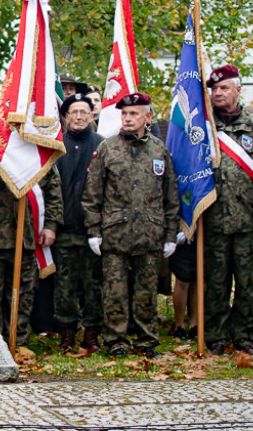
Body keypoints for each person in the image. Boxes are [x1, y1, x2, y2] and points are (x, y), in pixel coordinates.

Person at [82, 92, 179, 357]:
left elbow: (170, 196)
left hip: (150, 233)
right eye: (124, 114)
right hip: (115, 234)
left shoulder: (159, 150)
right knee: (114, 291)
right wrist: (93, 231)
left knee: (146, 291)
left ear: (147, 117)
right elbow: (92, 195)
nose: (127, 118)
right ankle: (115, 340)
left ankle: (147, 341)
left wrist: (170, 234)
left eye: (133, 113)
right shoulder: (108, 148)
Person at [203, 65, 253, 355]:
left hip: (249, 222)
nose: (218, 93)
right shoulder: (204, 130)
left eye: (224, 88)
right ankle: (216, 336)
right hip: (214, 221)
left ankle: (245, 334)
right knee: (216, 284)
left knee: (248, 283)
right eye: (214, 89)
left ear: (238, 90)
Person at [0, 139, 62, 345]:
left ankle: (17, 344)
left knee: (22, 296)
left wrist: (51, 225)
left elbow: (52, 188)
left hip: (26, 237)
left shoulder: (35, 144)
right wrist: (4, 158)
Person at [53, 94, 105, 352]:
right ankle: (67, 335)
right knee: (64, 288)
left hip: (92, 232)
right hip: (63, 232)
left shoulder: (102, 145)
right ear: (66, 116)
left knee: (93, 285)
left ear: (92, 115)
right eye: (74, 112)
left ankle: (92, 335)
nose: (79, 116)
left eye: (84, 111)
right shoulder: (56, 145)